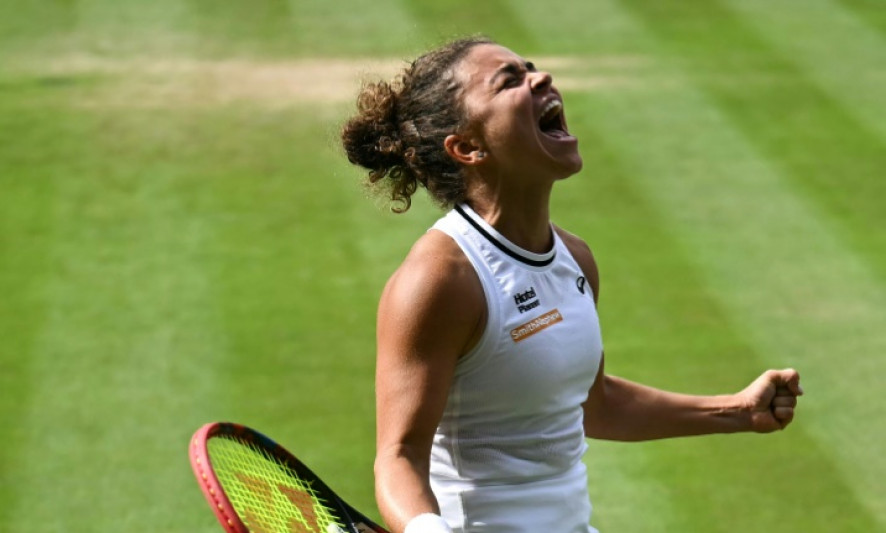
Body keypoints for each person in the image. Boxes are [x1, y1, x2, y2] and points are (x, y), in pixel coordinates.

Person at [340, 36, 802, 533]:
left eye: (531, 68)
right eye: (509, 81)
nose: (540, 79)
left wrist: (735, 410)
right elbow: (399, 455)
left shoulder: (575, 259)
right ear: (468, 147)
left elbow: (591, 403)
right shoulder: (442, 280)